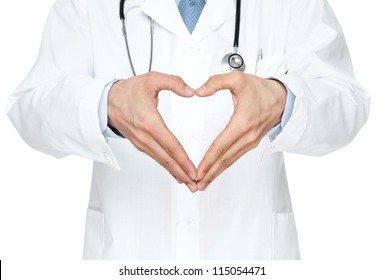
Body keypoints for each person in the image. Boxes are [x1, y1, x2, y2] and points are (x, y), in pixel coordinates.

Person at [6, 0, 369, 260]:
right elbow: (29, 107)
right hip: (127, 259)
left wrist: (281, 100)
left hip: (251, 256)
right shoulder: (88, 6)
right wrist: (105, 103)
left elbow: (347, 102)